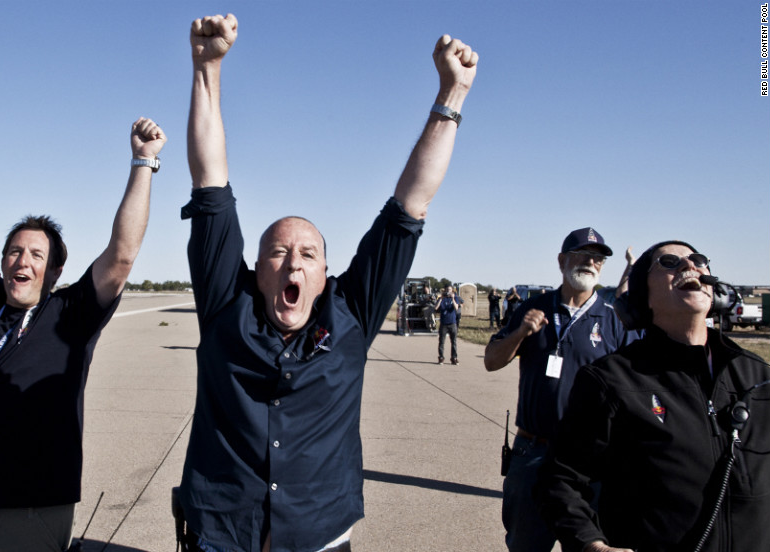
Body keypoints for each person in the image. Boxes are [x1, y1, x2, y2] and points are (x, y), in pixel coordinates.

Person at [176, 13, 477, 552]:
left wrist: (451, 96)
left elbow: (411, 204)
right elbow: (209, 181)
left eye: (308, 254)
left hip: (319, 533)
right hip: (222, 532)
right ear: (257, 268)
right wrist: (207, 68)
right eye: (278, 252)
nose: (293, 263)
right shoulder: (228, 304)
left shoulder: (352, 313)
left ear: (324, 274)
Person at [0, 112, 165, 551]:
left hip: (34, 509)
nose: (22, 261)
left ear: (54, 271)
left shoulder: (71, 314)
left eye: (36, 254)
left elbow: (122, 254)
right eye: (14, 251)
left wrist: (143, 163)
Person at [537, 241, 770, 552]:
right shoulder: (611, 380)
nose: (690, 266)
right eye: (670, 262)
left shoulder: (759, 378)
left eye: (698, 260)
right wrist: (591, 544)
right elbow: (560, 478)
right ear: (641, 296)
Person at [483, 227, 635, 552]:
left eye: (598, 258)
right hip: (532, 453)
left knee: (586, 546)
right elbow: (492, 361)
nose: (590, 263)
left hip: (588, 461)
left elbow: (635, 385)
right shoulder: (532, 308)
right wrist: (521, 333)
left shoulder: (613, 322)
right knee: (525, 544)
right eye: (582, 255)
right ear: (562, 260)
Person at [435, 285, 460, 365]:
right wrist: (441, 298)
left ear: (452, 291)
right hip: (444, 323)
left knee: (454, 342)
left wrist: (452, 298)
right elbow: (436, 308)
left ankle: (454, 358)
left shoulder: (455, 298)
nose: (448, 292)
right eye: (447, 290)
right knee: (441, 342)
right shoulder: (441, 298)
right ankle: (441, 357)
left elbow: (456, 308)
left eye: (449, 290)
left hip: (452, 323)